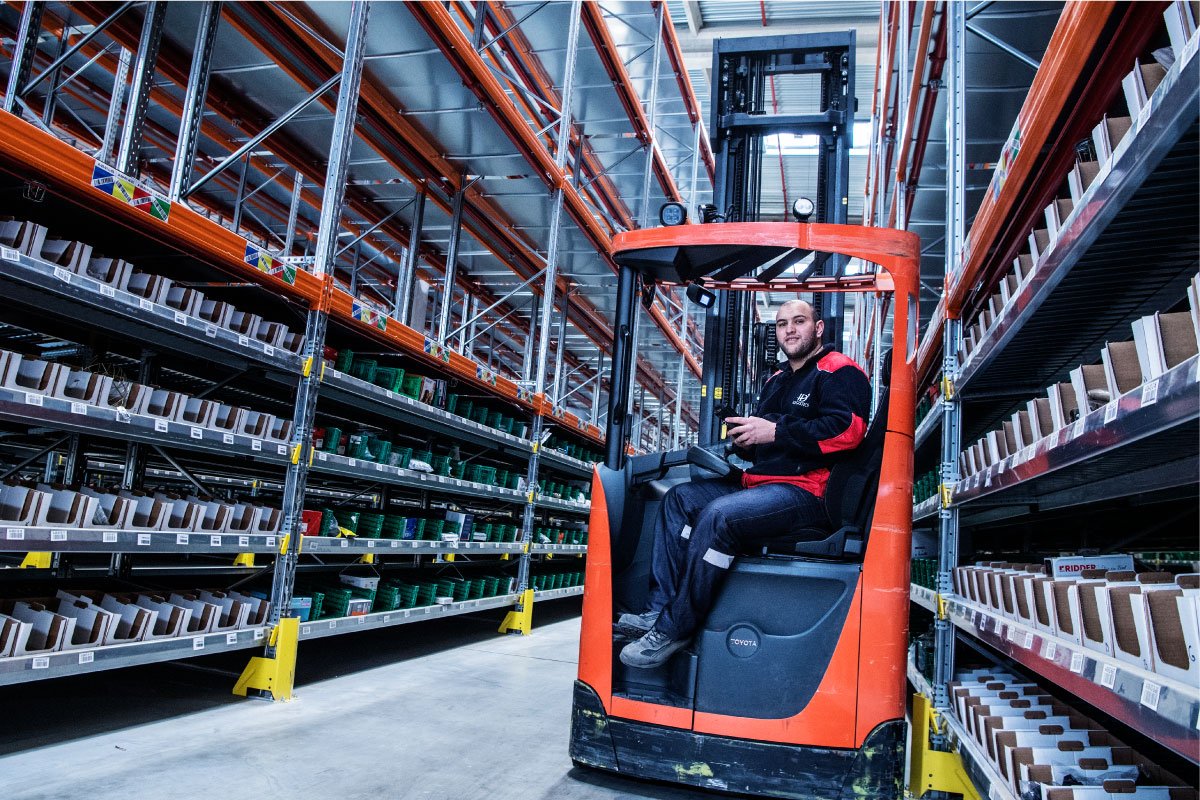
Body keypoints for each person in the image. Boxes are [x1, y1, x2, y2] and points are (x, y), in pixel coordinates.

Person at [618, 299, 872, 669]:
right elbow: (767, 445)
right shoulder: (776, 381)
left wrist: (775, 430)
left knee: (719, 516)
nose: (789, 330)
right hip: (761, 483)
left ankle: (674, 629)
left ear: (818, 329)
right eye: (783, 323)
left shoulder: (839, 371)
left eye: (799, 321)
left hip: (806, 489)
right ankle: (657, 611)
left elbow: (847, 432)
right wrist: (747, 442)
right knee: (679, 499)